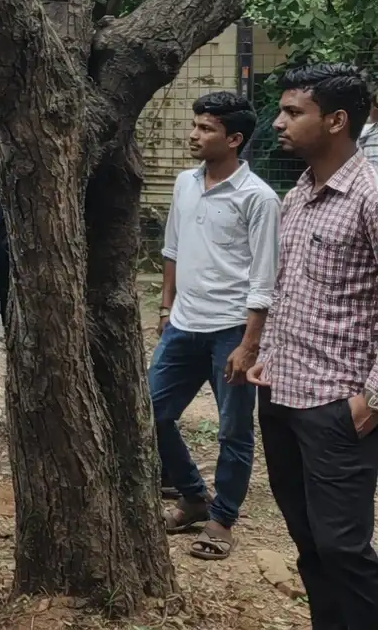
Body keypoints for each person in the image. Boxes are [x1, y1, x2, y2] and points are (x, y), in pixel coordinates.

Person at [250, 63, 378, 626]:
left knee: (343, 548)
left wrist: (372, 396)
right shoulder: (298, 194)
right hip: (282, 397)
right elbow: (288, 287)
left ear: (337, 120)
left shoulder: (370, 197)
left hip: (338, 405)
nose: (278, 122)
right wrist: (269, 353)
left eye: (293, 112)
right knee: (307, 541)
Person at [151, 92, 278, 560]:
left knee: (233, 431)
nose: (194, 134)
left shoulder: (259, 198)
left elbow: (264, 279)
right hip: (184, 326)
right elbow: (172, 249)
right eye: (196, 125)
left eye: (206, 129)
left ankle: (222, 519)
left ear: (235, 139)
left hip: (231, 330)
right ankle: (191, 496)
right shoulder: (185, 182)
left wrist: (249, 344)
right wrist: (166, 312)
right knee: (152, 414)